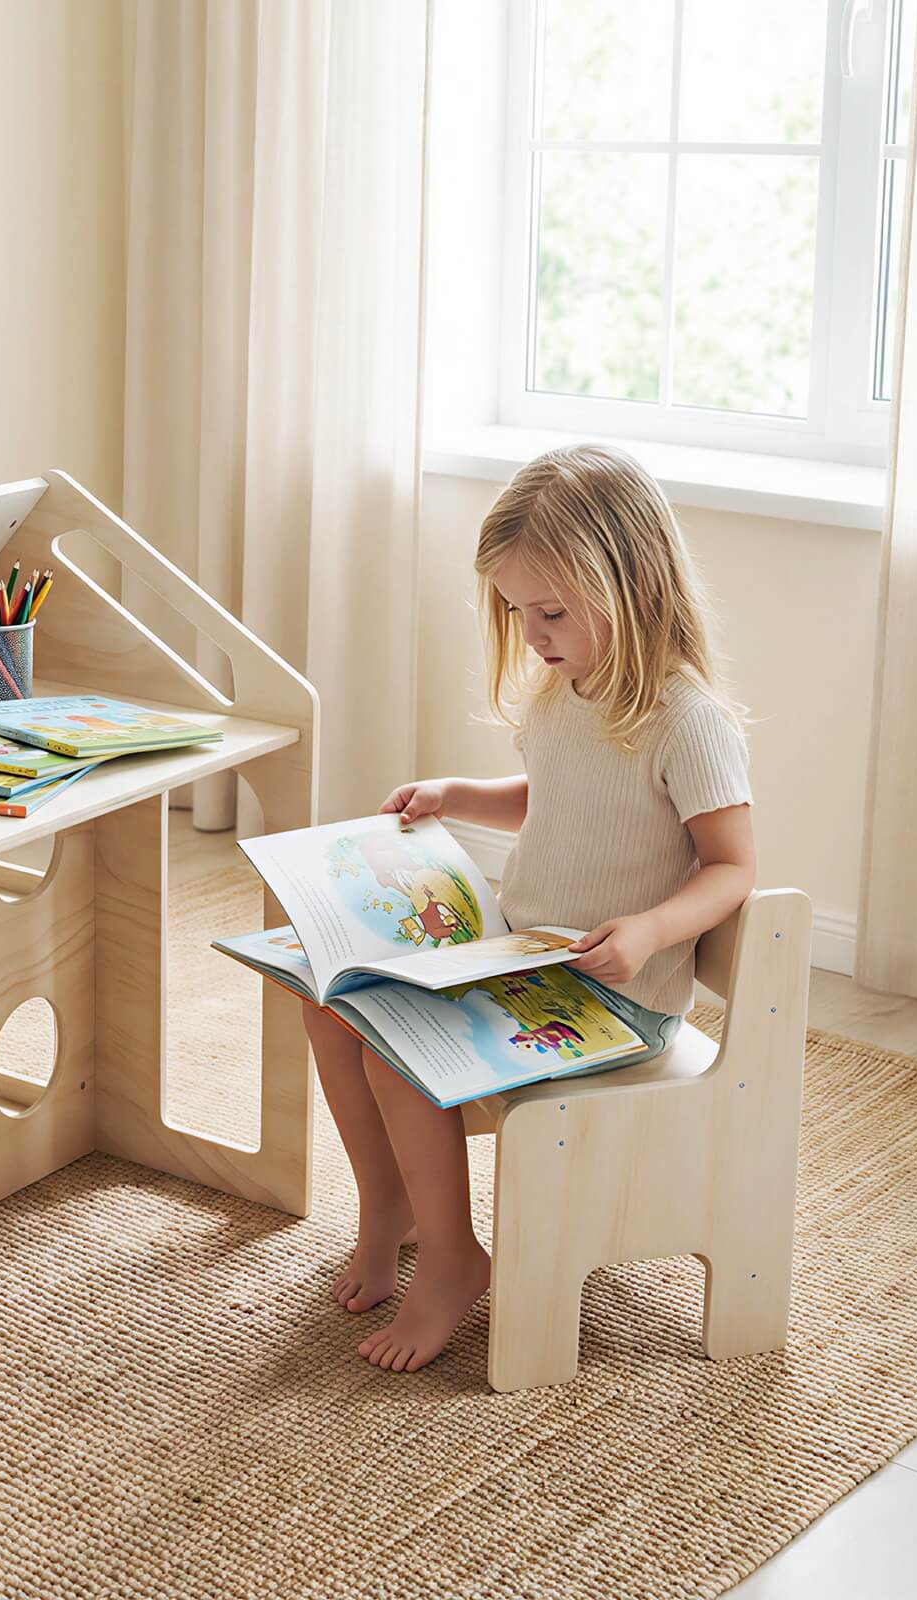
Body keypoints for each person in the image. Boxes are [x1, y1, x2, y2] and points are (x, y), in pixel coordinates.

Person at [309, 443, 756, 1373]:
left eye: (551, 612)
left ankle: (453, 1262)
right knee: (329, 1005)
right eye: (518, 612)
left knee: (399, 1056)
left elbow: (732, 869)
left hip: (618, 1000)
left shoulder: (686, 718)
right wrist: (456, 794)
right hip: (529, 959)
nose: (533, 633)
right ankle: (389, 1204)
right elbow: (550, 798)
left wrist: (651, 930)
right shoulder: (568, 691)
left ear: (629, 584)